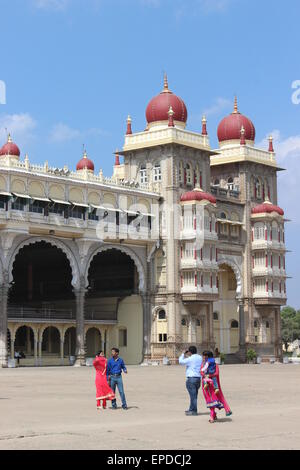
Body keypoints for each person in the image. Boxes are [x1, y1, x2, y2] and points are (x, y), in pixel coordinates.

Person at [201, 350, 232, 423]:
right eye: (203, 356)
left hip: (213, 386)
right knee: (209, 400)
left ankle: (212, 416)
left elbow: (216, 373)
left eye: (205, 356)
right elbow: (201, 372)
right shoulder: (203, 365)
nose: (203, 357)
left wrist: (209, 375)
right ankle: (214, 414)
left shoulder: (215, 365)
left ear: (208, 357)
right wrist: (205, 375)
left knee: (212, 400)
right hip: (205, 385)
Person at [179, 346, 202, 416]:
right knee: (194, 395)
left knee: (193, 396)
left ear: (190, 352)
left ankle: (194, 411)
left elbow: (180, 361)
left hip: (191, 378)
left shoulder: (190, 359)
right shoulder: (200, 357)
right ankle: (191, 409)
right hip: (198, 378)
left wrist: (183, 354)